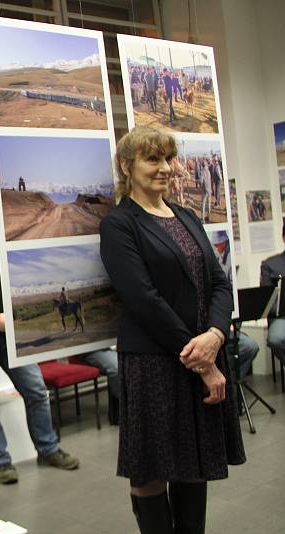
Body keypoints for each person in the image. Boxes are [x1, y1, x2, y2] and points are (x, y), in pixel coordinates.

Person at [99, 126, 245, 534]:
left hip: (201, 353)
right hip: (154, 363)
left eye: (169, 159)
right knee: (151, 471)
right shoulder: (119, 225)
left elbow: (219, 282)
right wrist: (202, 361)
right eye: (153, 160)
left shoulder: (186, 216)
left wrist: (216, 335)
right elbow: (143, 300)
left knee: (193, 462)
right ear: (127, 167)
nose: (165, 168)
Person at [0, 177, 80, 485]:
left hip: (13, 331)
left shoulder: (1, 234)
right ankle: (1, 461)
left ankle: (48, 449)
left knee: (35, 391)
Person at [260, 223, 285, 365]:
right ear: (283, 237)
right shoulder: (270, 265)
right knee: (276, 338)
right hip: (281, 316)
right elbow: (266, 297)